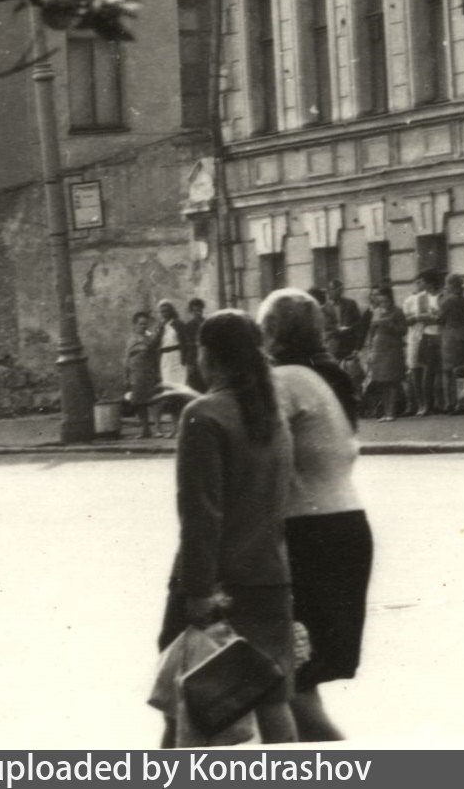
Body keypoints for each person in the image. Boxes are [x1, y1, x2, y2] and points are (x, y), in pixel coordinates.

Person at [160, 309, 298, 746]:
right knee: (274, 702)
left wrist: (196, 592)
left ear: (206, 355)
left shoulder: (203, 416)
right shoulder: (272, 414)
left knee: (184, 704)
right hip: (271, 580)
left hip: (218, 587)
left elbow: (201, 515)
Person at [257, 288, 370, 745]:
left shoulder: (282, 381)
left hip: (307, 533)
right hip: (344, 526)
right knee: (301, 681)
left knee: (289, 685)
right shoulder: (326, 376)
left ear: (272, 333)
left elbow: (263, 461)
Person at [360, 285, 407, 421]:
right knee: (381, 381)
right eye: (380, 302)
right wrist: (370, 348)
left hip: (392, 349)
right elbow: (371, 331)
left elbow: (403, 330)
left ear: (391, 300)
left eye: (385, 301)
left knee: (391, 381)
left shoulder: (397, 312)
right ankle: (386, 412)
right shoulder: (376, 312)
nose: (383, 304)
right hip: (378, 349)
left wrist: (390, 325)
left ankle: (391, 412)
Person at [403, 274, 443, 415]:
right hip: (426, 336)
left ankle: (439, 403)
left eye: (423, 281)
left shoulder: (442, 295)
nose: (421, 284)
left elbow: (441, 317)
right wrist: (433, 317)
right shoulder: (421, 298)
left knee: (440, 371)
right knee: (426, 371)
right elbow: (424, 318)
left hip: (442, 335)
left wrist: (433, 317)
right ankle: (426, 404)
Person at [124, 310, 165, 437]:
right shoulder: (131, 340)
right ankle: (145, 429)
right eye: (141, 324)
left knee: (154, 400)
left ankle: (157, 428)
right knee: (139, 401)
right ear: (135, 325)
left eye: (145, 324)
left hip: (150, 371)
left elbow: (154, 352)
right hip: (136, 373)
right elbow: (127, 358)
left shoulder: (150, 338)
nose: (144, 326)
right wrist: (127, 376)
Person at [436, 275, 464, 414]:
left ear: (451, 285)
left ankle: (450, 403)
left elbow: (439, 318)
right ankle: (463, 401)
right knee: (462, 370)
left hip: (450, 336)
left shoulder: (448, 300)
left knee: (448, 371)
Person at [178, 298, 208, 393]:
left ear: (202, 310)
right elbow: (186, 345)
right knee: (194, 385)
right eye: (195, 311)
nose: (197, 313)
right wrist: (188, 362)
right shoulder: (189, 326)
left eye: (199, 310)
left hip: (206, 358)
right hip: (194, 359)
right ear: (191, 312)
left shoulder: (207, 324)